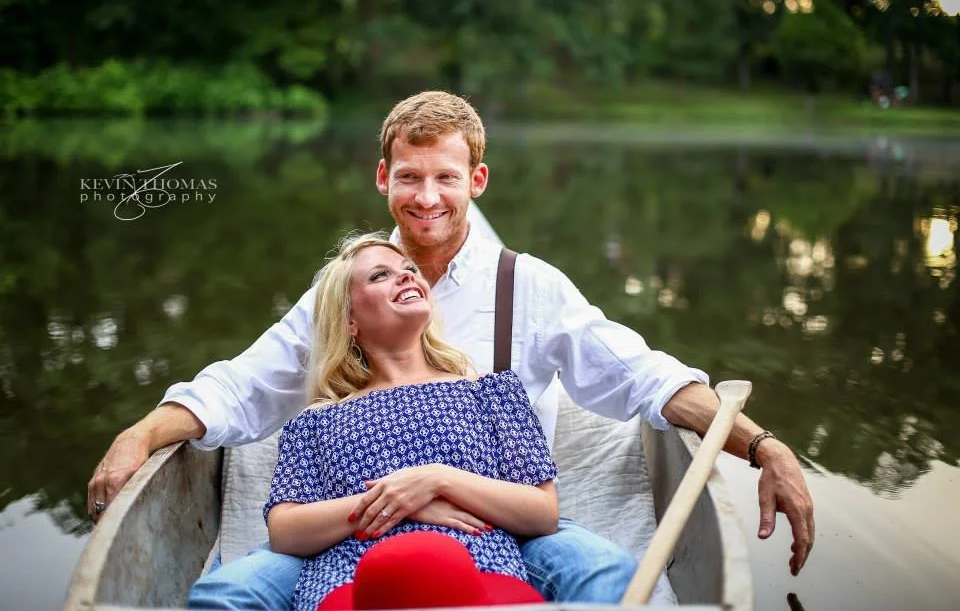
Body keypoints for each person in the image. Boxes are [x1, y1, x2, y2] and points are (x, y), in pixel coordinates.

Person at [88, 91, 815, 608]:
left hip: (499, 519)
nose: (427, 196)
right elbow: (242, 389)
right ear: (384, 179)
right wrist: (143, 432)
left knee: (612, 577)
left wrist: (764, 447)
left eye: (445, 177)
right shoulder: (342, 293)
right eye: (409, 176)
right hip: (353, 528)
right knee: (229, 593)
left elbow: (645, 380)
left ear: (476, 181)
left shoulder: (527, 285)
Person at [263, 233, 556, 610]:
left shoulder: (491, 392)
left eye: (409, 269)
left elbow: (543, 513)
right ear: (349, 319)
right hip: (352, 585)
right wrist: (400, 502)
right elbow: (285, 532)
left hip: (479, 576)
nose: (407, 277)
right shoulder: (316, 421)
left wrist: (437, 479)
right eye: (380, 275)